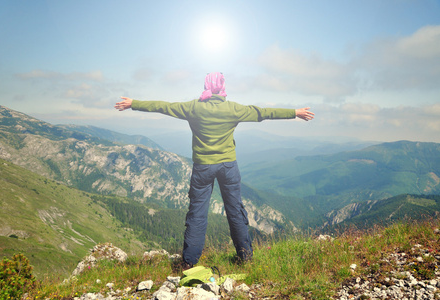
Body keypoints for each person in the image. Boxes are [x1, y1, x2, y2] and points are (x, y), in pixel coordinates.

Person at [115, 72, 314, 269]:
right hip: (228, 166)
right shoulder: (233, 109)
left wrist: (133, 103)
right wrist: (295, 112)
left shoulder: (193, 107)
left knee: (197, 213)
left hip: (202, 167)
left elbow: (162, 106)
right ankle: (245, 257)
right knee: (235, 210)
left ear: (206, 85)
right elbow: (263, 113)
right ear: (223, 86)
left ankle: (189, 262)